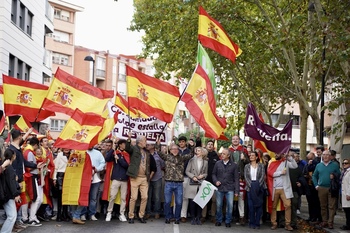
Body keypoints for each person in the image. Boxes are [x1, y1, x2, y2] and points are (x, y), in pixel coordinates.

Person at [156, 142, 193, 224]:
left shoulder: (182, 158)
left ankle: (177, 218)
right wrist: (158, 144)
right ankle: (167, 217)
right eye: (173, 149)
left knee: (179, 202)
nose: (175, 150)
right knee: (167, 201)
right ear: (170, 150)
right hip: (169, 183)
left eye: (176, 149)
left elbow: (191, 154)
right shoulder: (166, 157)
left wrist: (192, 145)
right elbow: (158, 152)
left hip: (179, 183)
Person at [126, 134, 157, 224]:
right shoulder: (133, 149)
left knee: (145, 197)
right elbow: (127, 148)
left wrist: (157, 144)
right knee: (134, 197)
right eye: (145, 141)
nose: (146, 143)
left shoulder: (146, 152)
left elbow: (154, 152)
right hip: (135, 177)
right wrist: (128, 138)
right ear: (140, 142)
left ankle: (141, 215)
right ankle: (131, 216)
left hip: (144, 178)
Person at [72, 147, 106, 223]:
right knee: (84, 196)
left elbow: (102, 162)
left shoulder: (98, 153)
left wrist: (97, 169)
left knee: (93, 198)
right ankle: (82, 214)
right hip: (83, 178)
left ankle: (91, 214)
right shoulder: (80, 152)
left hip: (95, 178)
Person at [267, 153, 297, 231]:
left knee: (288, 205)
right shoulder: (272, 162)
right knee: (273, 206)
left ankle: (287, 224)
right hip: (275, 188)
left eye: (278, 153)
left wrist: (289, 157)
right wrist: (280, 173)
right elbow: (270, 173)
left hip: (284, 188)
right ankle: (274, 223)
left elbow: (295, 166)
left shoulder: (285, 162)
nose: (276, 155)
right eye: (275, 153)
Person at [312, 150, 340, 229]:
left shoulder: (335, 165)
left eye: (327, 155)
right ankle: (324, 221)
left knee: (331, 206)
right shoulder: (319, 165)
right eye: (324, 155)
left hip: (332, 188)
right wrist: (316, 185)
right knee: (323, 206)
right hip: (321, 188)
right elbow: (314, 176)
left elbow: (339, 175)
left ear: (330, 156)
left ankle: (330, 222)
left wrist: (334, 176)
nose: (325, 156)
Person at [212, 148, 239, 228]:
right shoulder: (218, 163)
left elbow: (236, 178)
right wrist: (216, 181)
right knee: (219, 205)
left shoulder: (234, 165)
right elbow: (213, 174)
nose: (222, 155)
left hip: (230, 188)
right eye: (222, 153)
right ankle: (219, 220)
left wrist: (236, 191)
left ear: (228, 155)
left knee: (230, 205)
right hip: (220, 188)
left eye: (224, 154)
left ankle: (228, 220)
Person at [104, 139, 130, 222]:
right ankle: (109, 212)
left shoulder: (126, 154)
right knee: (112, 196)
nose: (124, 145)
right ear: (120, 145)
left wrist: (118, 159)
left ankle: (121, 213)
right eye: (123, 144)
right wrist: (113, 149)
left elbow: (126, 165)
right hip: (116, 178)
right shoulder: (115, 152)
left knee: (123, 198)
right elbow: (107, 159)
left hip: (124, 179)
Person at [22, 137, 43, 226]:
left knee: (26, 198)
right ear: (35, 145)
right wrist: (37, 165)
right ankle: (32, 218)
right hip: (31, 176)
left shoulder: (26, 151)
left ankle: (25, 218)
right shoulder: (30, 152)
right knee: (36, 198)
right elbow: (29, 167)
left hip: (27, 176)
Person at [228, 135, 249, 225]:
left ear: (239, 140)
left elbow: (249, 162)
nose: (235, 140)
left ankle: (241, 216)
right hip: (230, 177)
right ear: (231, 140)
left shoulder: (244, 150)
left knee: (241, 197)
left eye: (237, 139)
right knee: (230, 197)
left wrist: (244, 159)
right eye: (234, 139)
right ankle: (229, 216)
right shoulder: (228, 150)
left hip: (241, 177)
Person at [185, 147, 208, 225]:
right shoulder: (191, 160)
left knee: (200, 201)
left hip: (200, 183)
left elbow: (206, 173)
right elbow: (187, 171)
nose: (197, 152)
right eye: (196, 151)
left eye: (198, 151)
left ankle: (198, 217)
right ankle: (192, 217)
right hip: (192, 183)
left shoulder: (205, 162)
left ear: (202, 152)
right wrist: (193, 176)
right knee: (192, 201)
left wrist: (202, 176)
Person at [0, 149, 21, 233]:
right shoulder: (8, 167)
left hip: (5, 193)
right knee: (12, 216)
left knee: (11, 216)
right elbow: (10, 181)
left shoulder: (5, 166)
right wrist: (16, 194)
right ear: (13, 156)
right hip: (8, 194)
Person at [244, 150, 266, 229]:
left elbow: (262, 176)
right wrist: (251, 186)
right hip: (250, 187)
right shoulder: (247, 166)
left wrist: (258, 186)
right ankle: (251, 222)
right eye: (250, 155)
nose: (251, 157)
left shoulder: (261, 166)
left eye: (253, 155)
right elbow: (246, 177)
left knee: (259, 206)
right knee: (251, 206)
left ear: (256, 157)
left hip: (259, 187)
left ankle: (257, 223)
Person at [201, 140, 220, 223]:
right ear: (206, 145)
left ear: (213, 146)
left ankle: (213, 216)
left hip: (214, 181)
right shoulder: (203, 155)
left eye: (211, 144)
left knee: (214, 200)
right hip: (204, 180)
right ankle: (203, 216)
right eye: (208, 144)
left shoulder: (217, 156)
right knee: (204, 199)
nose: (210, 145)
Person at [146, 143, 164, 219]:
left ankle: (157, 212)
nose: (147, 146)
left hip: (157, 178)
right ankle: (148, 212)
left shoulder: (159, 155)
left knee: (157, 197)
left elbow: (163, 165)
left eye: (148, 145)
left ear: (153, 146)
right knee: (148, 196)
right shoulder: (145, 154)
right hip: (147, 179)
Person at [303, 151, 321, 223]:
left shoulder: (317, 163)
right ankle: (311, 216)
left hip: (315, 185)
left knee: (316, 202)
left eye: (311, 158)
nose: (310, 160)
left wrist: (312, 164)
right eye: (308, 159)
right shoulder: (307, 165)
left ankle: (317, 217)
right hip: (309, 185)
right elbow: (305, 171)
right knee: (310, 202)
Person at [52, 148, 70, 222]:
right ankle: (59, 214)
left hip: (69, 176)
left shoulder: (73, 155)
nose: (66, 149)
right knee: (60, 196)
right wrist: (54, 178)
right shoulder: (59, 155)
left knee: (66, 196)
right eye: (65, 147)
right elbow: (56, 167)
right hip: (60, 176)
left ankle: (65, 213)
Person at [340, 159, 350, 230]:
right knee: (346, 210)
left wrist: (348, 194)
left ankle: (348, 225)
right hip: (344, 193)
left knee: (348, 210)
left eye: (346, 163)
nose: (344, 164)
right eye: (343, 163)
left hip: (347, 194)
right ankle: (348, 224)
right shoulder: (344, 171)